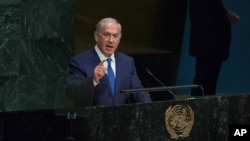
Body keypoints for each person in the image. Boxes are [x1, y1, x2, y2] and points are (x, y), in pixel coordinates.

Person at [66, 17, 152, 107]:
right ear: (96, 36)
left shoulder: (127, 62)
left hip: (120, 118)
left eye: (115, 36)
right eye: (107, 34)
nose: (111, 40)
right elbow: (71, 92)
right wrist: (93, 80)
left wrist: (150, 109)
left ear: (120, 38)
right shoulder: (79, 61)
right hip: (92, 119)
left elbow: (138, 91)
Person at [189, 0, 239, 96]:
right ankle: (198, 108)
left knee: (208, 83)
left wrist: (226, 17)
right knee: (204, 83)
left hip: (211, 49)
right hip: (208, 48)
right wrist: (227, 18)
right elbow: (207, 19)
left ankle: (203, 107)